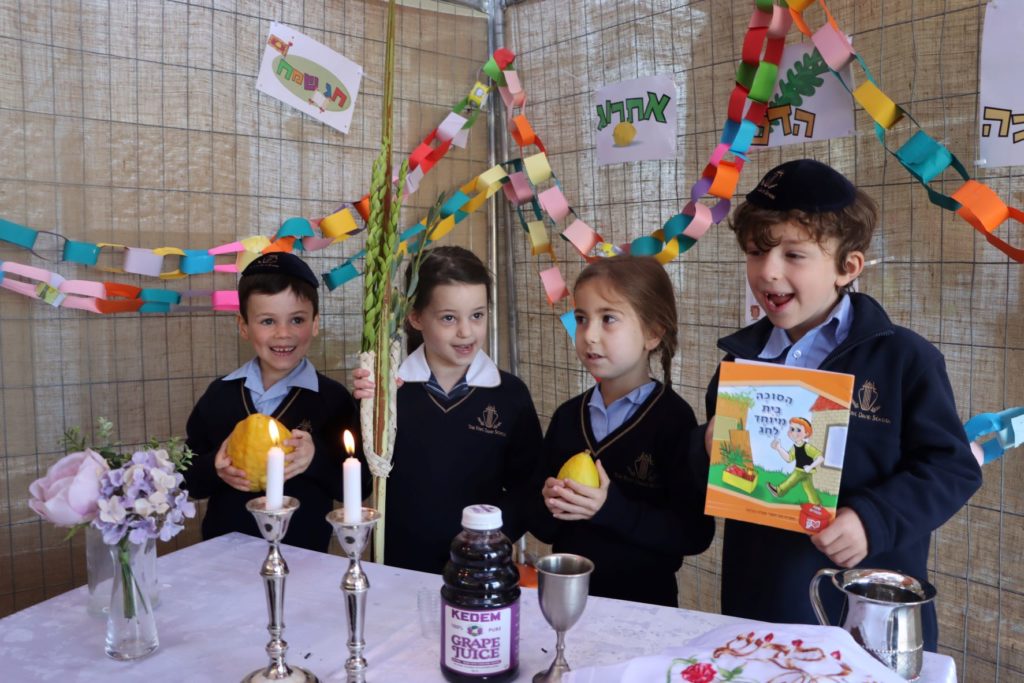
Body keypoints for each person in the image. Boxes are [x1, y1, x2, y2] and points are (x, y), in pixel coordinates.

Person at [703, 158, 982, 649]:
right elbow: (717, 481)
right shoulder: (739, 365)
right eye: (755, 251)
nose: (768, 272)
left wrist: (872, 520)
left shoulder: (904, 360)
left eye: (794, 255)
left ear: (846, 267)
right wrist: (705, 445)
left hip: (865, 616)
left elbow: (952, 468)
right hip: (760, 609)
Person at [533, 256, 715, 607]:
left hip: (646, 608)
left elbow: (693, 534)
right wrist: (549, 502)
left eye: (609, 319)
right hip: (569, 602)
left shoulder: (674, 420)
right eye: (582, 319)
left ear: (652, 332)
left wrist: (608, 507)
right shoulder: (568, 417)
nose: (590, 335)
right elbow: (542, 527)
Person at [352, 245, 543, 574]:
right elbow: (360, 477)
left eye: (477, 315)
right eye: (449, 318)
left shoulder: (511, 395)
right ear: (415, 317)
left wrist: (491, 539)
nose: (466, 331)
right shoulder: (387, 391)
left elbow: (528, 488)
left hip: (481, 572)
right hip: (396, 569)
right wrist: (365, 408)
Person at [184, 252, 362, 552]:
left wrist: (314, 458)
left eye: (297, 320)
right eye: (268, 321)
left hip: (305, 557)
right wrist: (214, 467)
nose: (284, 334)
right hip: (225, 553)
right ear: (243, 326)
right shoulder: (219, 396)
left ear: (315, 323)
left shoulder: (332, 400)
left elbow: (361, 484)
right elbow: (186, 480)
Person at [767, 417, 823, 504]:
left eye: (798, 430)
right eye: (792, 429)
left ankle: (779, 491)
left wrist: (810, 466)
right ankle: (816, 504)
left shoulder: (807, 447)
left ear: (806, 433)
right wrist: (779, 448)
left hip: (802, 471)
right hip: (803, 471)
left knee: (791, 481)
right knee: (809, 489)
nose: (794, 432)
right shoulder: (794, 447)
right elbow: (789, 459)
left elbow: (820, 457)